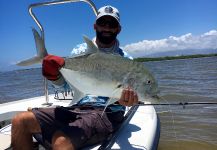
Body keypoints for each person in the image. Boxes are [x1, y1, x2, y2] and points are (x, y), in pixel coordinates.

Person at [11, 5, 138, 150]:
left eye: (112, 24)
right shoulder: (80, 50)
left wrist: (125, 101)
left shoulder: (127, 60)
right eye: (103, 23)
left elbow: (131, 95)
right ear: (95, 26)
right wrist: (54, 76)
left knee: (61, 141)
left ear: (118, 29)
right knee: (20, 121)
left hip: (105, 113)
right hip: (76, 108)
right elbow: (65, 86)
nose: (107, 28)